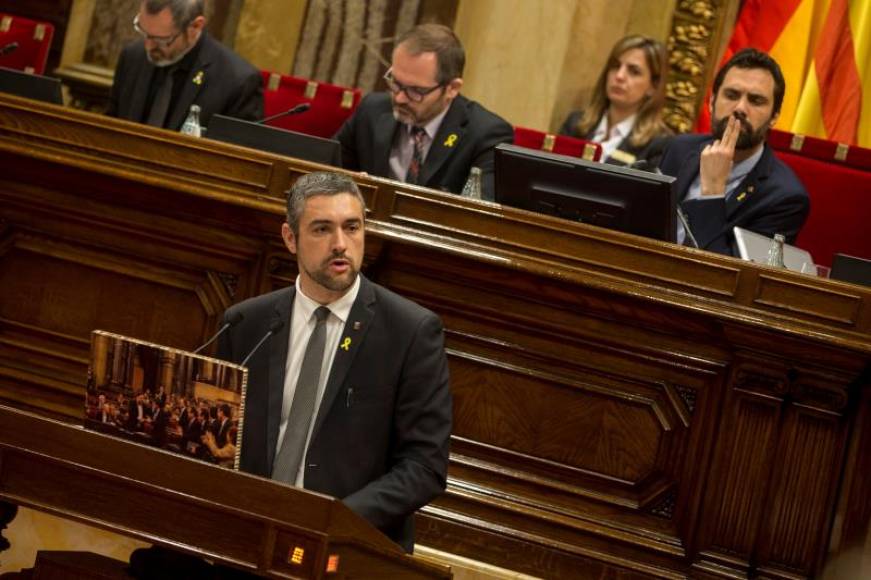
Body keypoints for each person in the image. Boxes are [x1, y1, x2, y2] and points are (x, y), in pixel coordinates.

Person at [217, 171, 452, 553]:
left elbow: (424, 467)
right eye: (322, 229)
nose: (340, 244)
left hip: (348, 545)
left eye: (352, 227)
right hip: (247, 534)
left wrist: (329, 521)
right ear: (290, 238)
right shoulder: (245, 323)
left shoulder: (411, 332)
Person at [335, 24, 513, 201]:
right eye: (395, 82)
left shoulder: (486, 135)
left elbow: (480, 216)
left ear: (452, 88)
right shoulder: (372, 109)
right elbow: (326, 169)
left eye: (416, 91)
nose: (399, 99)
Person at [658, 48, 810, 256]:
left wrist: (712, 191)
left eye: (755, 100)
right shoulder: (679, 149)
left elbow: (730, 278)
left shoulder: (785, 197)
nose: (740, 108)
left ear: (774, 117)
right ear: (711, 102)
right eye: (731, 95)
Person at [107, 0, 262, 131]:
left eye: (161, 40)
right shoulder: (132, 57)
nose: (148, 46)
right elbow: (111, 129)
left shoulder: (237, 82)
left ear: (195, 27)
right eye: (143, 31)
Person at [559, 35, 672, 169]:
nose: (619, 76)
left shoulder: (660, 145)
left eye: (633, 71)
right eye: (615, 66)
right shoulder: (576, 124)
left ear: (653, 86)